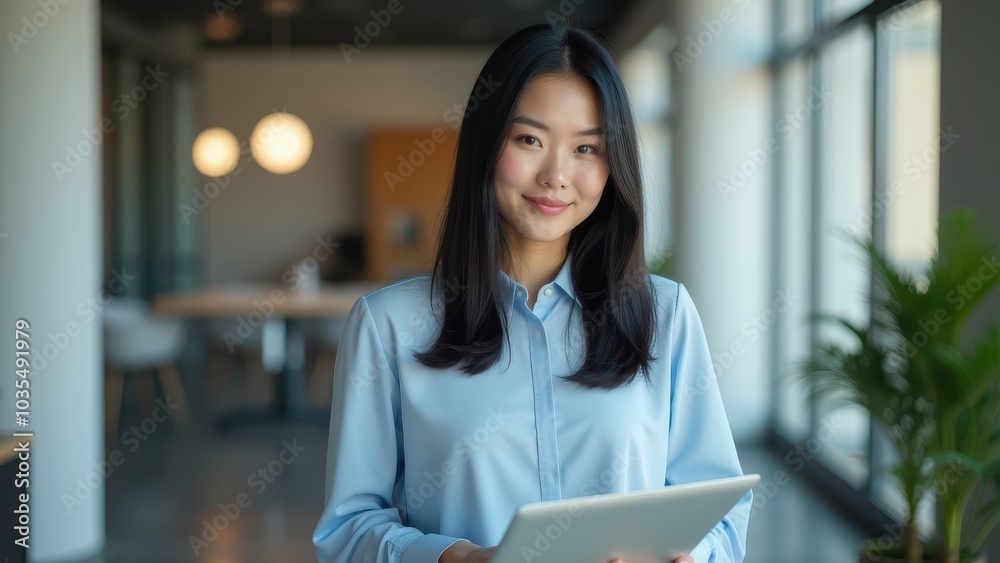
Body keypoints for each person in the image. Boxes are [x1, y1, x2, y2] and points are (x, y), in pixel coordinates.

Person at [312, 22, 751, 563]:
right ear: (485, 144)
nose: (557, 175)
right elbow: (348, 532)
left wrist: (694, 558)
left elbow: (723, 517)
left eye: (587, 147)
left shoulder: (665, 314)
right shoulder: (389, 325)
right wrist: (461, 560)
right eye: (529, 140)